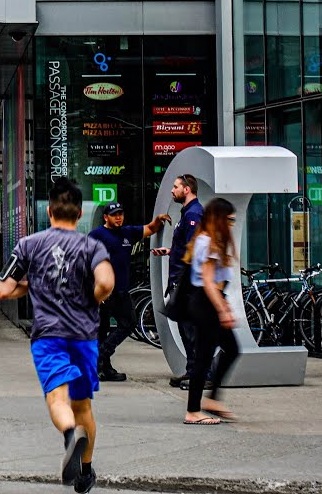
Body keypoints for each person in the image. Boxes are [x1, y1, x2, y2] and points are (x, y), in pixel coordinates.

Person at [0, 178, 114, 493]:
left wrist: (33, 286)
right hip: (84, 336)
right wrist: (93, 296)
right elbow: (106, 282)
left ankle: (69, 435)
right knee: (83, 405)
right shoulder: (92, 246)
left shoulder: (28, 245)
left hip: (48, 336)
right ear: (79, 213)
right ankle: (86, 472)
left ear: (49, 211)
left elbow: (4, 290)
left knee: (57, 398)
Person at [87, 202, 169, 381]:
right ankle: (102, 364)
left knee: (128, 323)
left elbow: (150, 229)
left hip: (121, 290)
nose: (118, 217)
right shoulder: (97, 235)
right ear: (105, 217)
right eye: (114, 214)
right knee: (104, 328)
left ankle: (102, 359)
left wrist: (158, 220)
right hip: (104, 291)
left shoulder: (128, 232)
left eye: (120, 214)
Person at [183, 198, 242, 425]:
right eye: (229, 219)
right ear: (218, 219)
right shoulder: (209, 243)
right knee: (205, 357)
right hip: (206, 303)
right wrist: (222, 310)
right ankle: (193, 410)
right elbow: (209, 282)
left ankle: (211, 400)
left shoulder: (205, 240)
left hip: (206, 302)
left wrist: (223, 306)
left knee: (226, 350)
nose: (232, 224)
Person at [153, 174, 204, 389]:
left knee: (191, 331)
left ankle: (200, 375)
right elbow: (186, 248)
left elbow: (195, 251)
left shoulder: (193, 214)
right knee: (185, 329)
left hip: (186, 283)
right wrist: (170, 251)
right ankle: (192, 371)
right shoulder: (187, 213)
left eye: (176, 187)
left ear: (187, 189)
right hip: (181, 280)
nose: (172, 191)